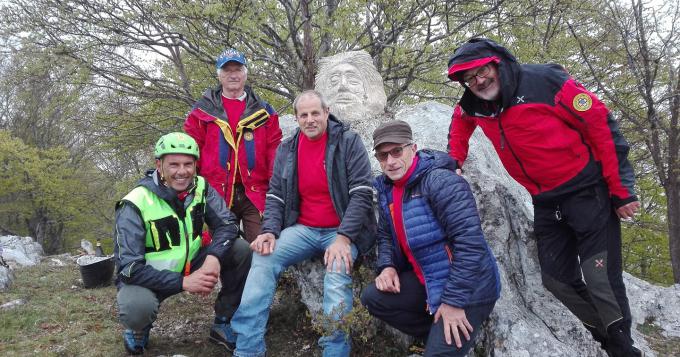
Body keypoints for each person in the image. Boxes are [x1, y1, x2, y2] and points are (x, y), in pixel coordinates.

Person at [446, 38, 641, 356]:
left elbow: (601, 125)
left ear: (497, 63)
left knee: (599, 276)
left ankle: (623, 349)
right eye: (469, 78)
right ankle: (607, 337)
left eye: (481, 71)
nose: (478, 81)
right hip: (545, 201)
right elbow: (460, 122)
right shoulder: (474, 103)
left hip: (588, 192)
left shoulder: (545, 81)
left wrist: (621, 191)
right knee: (557, 281)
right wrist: (454, 159)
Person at [229, 90, 376, 357]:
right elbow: (274, 195)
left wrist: (344, 238)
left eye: (315, 113)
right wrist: (270, 231)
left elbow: (362, 192)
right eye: (303, 115)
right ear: (296, 118)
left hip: (342, 231)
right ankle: (248, 348)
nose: (310, 120)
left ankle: (335, 351)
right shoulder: (288, 148)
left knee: (336, 272)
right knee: (263, 259)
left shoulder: (348, 141)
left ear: (326, 112)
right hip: (304, 229)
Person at [360, 120, 500, 356]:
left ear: (413, 149)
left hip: (469, 289)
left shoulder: (441, 182)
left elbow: (470, 245)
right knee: (373, 297)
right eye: (383, 156)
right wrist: (387, 267)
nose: (390, 161)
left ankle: (446, 337)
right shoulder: (388, 189)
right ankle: (437, 332)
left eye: (397, 151)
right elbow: (385, 234)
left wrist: (454, 303)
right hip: (428, 278)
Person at [113, 132, 251, 355]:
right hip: (148, 276)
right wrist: (184, 282)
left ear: (196, 164)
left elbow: (227, 224)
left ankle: (224, 321)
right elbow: (128, 269)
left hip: (191, 261)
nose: (182, 171)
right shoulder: (134, 203)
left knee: (241, 250)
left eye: (188, 164)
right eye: (173, 164)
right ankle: (139, 329)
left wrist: (213, 258)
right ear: (159, 165)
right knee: (137, 308)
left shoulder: (201, 188)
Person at [184, 48, 282, 243]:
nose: (233, 75)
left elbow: (274, 150)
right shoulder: (201, 111)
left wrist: (275, 186)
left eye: (237, 69)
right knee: (223, 249)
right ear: (219, 76)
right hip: (217, 193)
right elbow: (190, 151)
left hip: (255, 192)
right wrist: (192, 188)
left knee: (263, 247)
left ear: (245, 74)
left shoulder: (264, 111)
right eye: (227, 70)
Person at [316, 51, 387, 123]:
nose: (343, 86)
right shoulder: (310, 130)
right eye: (334, 80)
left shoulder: (383, 131)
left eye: (353, 80)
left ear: (368, 90)